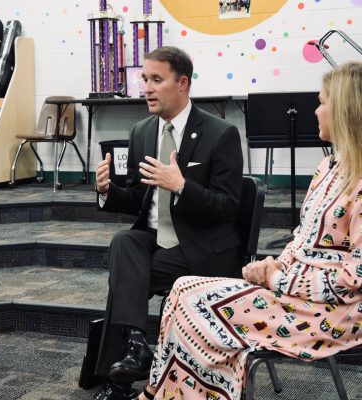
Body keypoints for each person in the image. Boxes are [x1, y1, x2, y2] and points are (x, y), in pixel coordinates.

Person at [138, 61, 362, 400]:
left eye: (322, 102)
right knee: (182, 288)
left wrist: (279, 279)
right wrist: (276, 264)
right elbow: (303, 238)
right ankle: (159, 391)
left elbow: (355, 278)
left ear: (345, 111)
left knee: (201, 309)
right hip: (295, 290)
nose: (315, 112)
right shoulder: (328, 166)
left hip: (331, 313)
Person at [92, 46, 244, 400]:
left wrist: (181, 186)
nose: (146, 87)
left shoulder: (220, 133)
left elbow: (228, 209)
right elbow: (136, 199)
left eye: (156, 80)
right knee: (123, 243)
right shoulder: (143, 131)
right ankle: (134, 345)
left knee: (124, 279)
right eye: (144, 79)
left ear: (182, 83)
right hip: (155, 237)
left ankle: (116, 380)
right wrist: (107, 191)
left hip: (202, 244)